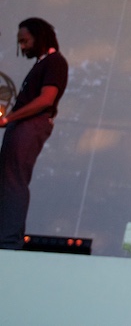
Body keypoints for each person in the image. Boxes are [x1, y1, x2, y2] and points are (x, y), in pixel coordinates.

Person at [0, 17, 69, 249]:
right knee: (8, 180)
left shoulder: (55, 62)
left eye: (25, 41)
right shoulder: (42, 63)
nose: (22, 47)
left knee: (14, 181)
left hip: (30, 125)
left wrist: (9, 118)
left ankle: (8, 240)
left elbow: (46, 99)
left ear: (39, 37)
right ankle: (7, 236)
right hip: (21, 125)